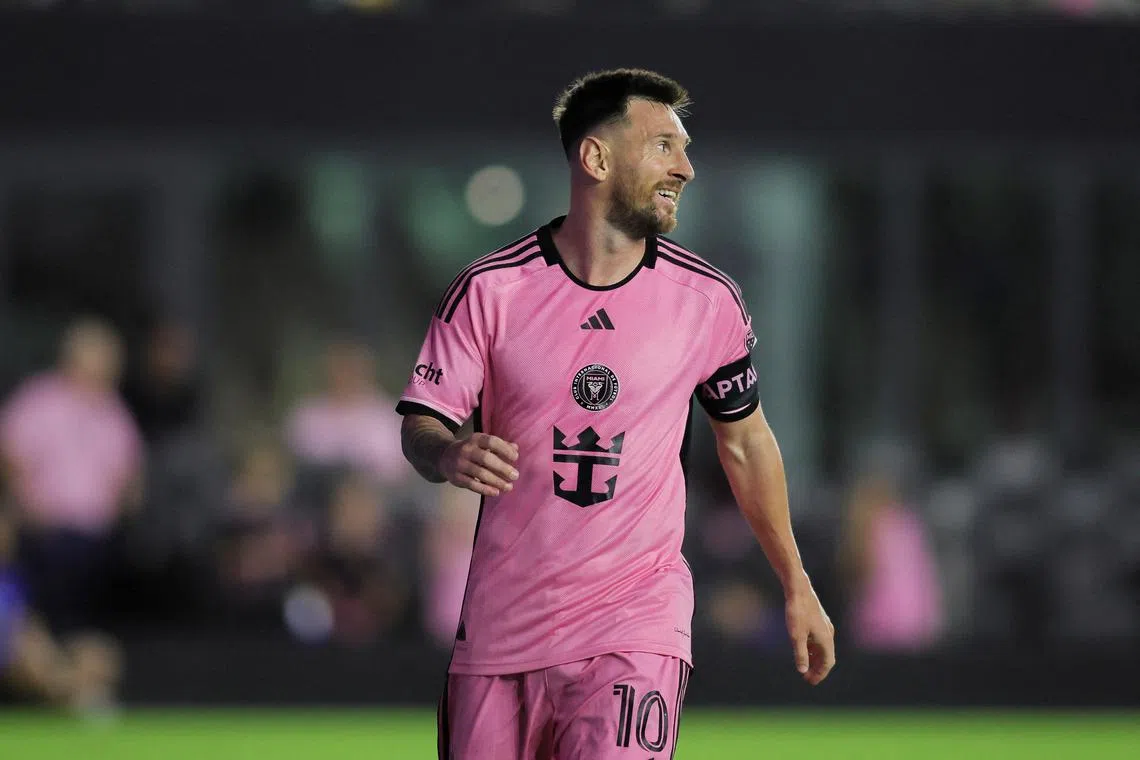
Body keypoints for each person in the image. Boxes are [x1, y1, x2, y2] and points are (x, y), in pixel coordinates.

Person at [397, 68, 835, 759]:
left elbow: (746, 442)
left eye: (685, 148)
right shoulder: (491, 291)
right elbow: (423, 421)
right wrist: (448, 452)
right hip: (500, 632)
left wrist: (796, 583)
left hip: (637, 623)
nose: (686, 168)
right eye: (664, 145)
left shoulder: (706, 301)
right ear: (595, 158)